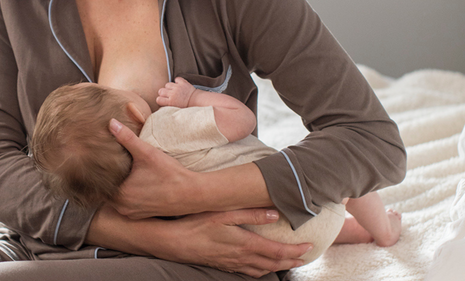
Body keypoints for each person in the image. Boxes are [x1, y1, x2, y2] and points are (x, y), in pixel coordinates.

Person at [0, 0, 407, 280]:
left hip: (219, 255)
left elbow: (371, 141)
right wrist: (144, 230)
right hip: (47, 246)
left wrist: (191, 197)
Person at [30, 78, 401, 265]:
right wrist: (192, 98)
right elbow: (242, 119)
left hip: (271, 249)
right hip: (303, 209)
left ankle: (343, 231)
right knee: (339, 168)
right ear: (133, 115)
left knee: (286, 216)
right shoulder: (164, 128)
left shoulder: (127, 194)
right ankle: (381, 230)